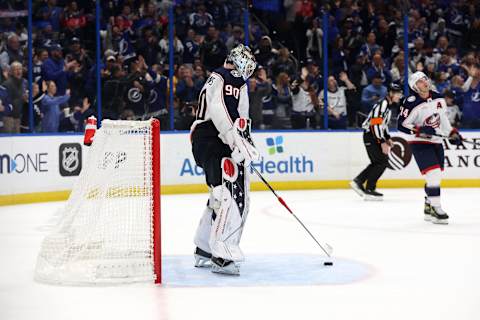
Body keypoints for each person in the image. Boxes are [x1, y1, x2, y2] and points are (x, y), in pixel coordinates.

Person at [190, 44, 259, 275]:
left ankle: (204, 248)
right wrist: (236, 140)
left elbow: (239, 117)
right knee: (229, 195)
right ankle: (222, 253)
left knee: (219, 193)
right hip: (214, 137)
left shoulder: (219, 77)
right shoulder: (228, 77)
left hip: (209, 138)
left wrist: (243, 141)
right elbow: (223, 111)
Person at [397, 71, 463, 224]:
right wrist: (418, 130)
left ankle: (428, 205)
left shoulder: (439, 98)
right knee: (433, 174)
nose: (424, 82)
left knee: (434, 176)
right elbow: (401, 125)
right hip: (418, 142)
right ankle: (436, 207)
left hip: (436, 142)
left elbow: (443, 119)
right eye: (420, 81)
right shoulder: (410, 102)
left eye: (425, 79)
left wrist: (452, 133)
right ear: (415, 86)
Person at [350, 83, 403, 200]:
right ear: (391, 93)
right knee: (381, 161)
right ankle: (368, 188)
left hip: (373, 135)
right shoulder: (383, 105)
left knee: (378, 161)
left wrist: (387, 138)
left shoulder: (387, 106)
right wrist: (382, 142)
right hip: (371, 136)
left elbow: (382, 125)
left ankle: (360, 182)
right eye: (398, 94)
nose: (400, 96)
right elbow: (375, 125)